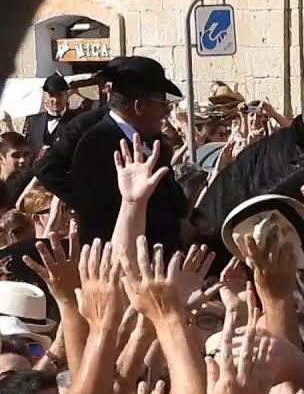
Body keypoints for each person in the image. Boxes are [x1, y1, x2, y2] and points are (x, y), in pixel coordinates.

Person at [68, 56, 189, 250]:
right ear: (139, 106)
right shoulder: (97, 144)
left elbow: (172, 197)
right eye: (162, 103)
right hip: (123, 262)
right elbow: (105, 216)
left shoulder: (151, 140)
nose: (167, 111)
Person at [23, 74, 75, 150]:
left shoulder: (75, 121)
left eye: (59, 95)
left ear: (66, 96)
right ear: (46, 96)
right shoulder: (33, 121)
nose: (55, 100)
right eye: (52, 95)